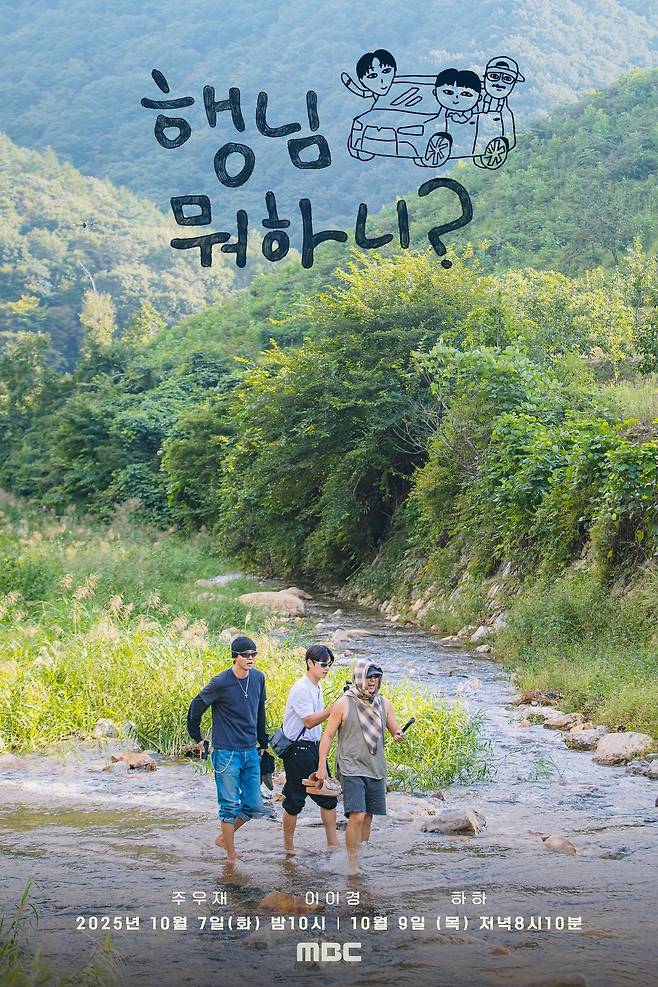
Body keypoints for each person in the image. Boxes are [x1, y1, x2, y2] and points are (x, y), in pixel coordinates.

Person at [316, 656, 405, 874]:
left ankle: (360, 855)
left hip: (375, 768)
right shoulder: (344, 703)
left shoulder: (384, 704)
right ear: (359, 677)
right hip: (350, 767)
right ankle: (352, 865)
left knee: (368, 817)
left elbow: (394, 729)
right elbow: (327, 736)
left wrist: (398, 734)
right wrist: (321, 767)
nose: (373, 681)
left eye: (376, 677)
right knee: (356, 815)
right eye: (369, 677)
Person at [186, 634, 270, 862]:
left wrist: (263, 743)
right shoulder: (221, 682)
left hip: (250, 751)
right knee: (229, 805)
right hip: (226, 753)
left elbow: (259, 712)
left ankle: (224, 839)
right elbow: (196, 707)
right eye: (246, 655)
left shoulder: (258, 678)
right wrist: (197, 738)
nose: (250, 658)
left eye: (253, 654)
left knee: (254, 805)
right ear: (235, 656)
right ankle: (231, 855)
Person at [280, 643, 340, 856]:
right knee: (295, 799)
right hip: (298, 750)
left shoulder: (316, 686)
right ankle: (289, 848)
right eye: (323, 664)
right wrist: (332, 709)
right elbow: (308, 721)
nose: (327, 668)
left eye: (329, 665)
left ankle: (332, 844)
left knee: (328, 795)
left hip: (312, 748)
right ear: (310, 663)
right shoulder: (301, 689)